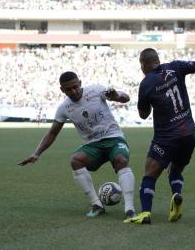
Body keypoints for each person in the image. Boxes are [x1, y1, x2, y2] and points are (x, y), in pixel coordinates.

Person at [124, 48, 195, 224]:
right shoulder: (175, 67)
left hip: (166, 137)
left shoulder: (146, 83)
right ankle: (176, 194)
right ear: (157, 59)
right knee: (176, 169)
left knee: (150, 174)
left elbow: (143, 114)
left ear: (144, 64)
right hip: (188, 134)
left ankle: (145, 213)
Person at [18, 71, 136, 220]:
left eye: (75, 86)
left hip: (113, 138)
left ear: (80, 83)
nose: (73, 91)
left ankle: (130, 209)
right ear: (62, 90)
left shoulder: (96, 90)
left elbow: (126, 98)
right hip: (93, 145)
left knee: (121, 159)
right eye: (68, 89)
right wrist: (36, 153)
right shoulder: (64, 108)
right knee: (76, 160)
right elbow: (52, 133)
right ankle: (96, 204)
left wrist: (117, 96)